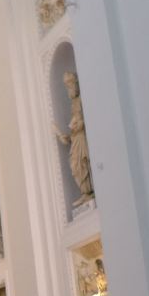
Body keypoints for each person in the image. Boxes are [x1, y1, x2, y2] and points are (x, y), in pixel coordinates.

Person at [55, 71, 95, 205]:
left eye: (70, 84)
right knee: (74, 164)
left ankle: (90, 191)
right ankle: (85, 192)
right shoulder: (73, 103)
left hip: (82, 137)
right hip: (76, 137)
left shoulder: (82, 99)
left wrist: (79, 124)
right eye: (67, 86)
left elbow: (87, 118)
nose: (69, 88)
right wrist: (67, 136)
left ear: (76, 83)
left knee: (83, 162)